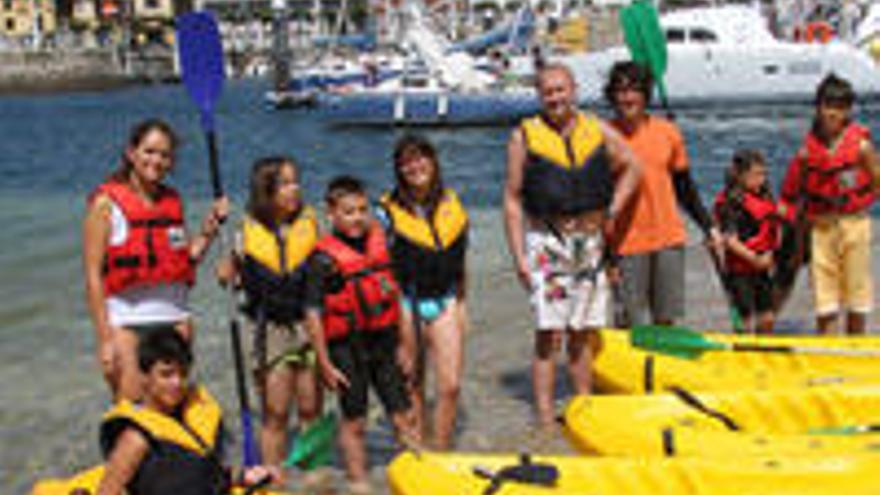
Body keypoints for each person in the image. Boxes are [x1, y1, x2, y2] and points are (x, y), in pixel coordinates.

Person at [503, 63, 643, 429]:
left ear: (574, 91)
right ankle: (546, 418)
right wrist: (519, 257)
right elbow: (513, 199)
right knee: (549, 333)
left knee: (582, 329)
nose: (555, 98)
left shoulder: (597, 130)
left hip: (589, 242)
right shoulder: (523, 137)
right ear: (539, 96)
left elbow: (633, 166)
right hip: (547, 243)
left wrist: (612, 209)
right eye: (548, 92)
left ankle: (584, 409)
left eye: (561, 90)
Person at [82, 118, 228, 402]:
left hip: (175, 320)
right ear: (131, 153)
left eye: (164, 155)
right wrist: (105, 340)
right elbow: (92, 276)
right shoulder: (106, 204)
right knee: (134, 416)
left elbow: (183, 261)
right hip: (126, 322)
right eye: (149, 151)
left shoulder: (172, 201)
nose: (156, 161)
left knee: (171, 412)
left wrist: (210, 228)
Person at [305, 176, 420, 494]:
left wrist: (406, 346)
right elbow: (312, 314)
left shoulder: (382, 244)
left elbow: (397, 298)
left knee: (402, 413)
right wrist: (325, 363)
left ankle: (419, 472)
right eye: (348, 212)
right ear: (331, 214)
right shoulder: (322, 260)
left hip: (384, 343)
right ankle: (359, 482)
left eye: (361, 210)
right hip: (346, 349)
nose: (357, 218)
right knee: (354, 420)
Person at [215, 156, 322, 472]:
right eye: (285, 183)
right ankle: (274, 483)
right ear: (266, 190)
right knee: (275, 414)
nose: (294, 189)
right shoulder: (244, 233)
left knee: (310, 409)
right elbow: (226, 276)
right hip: (268, 330)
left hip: (306, 325)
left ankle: (313, 481)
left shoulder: (311, 224)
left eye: (295, 181)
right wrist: (227, 267)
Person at [604, 61, 724, 328]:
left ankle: (660, 369)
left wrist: (709, 226)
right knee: (629, 323)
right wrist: (604, 256)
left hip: (668, 239)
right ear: (612, 96)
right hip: (625, 244)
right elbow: (596, 200)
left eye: (633, 89)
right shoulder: (603, 137)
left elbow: (685, 188)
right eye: (620, 90)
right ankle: (630, 371)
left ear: (645, 94)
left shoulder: (667, 132)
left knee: (666, 321)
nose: (627, 97)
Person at [97, 327, 281, 495]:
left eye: (183, 374)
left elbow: (207, 475)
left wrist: (245, 475)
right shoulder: (135, 440)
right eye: (166, 374)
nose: (177, 383)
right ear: (144, 377)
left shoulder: (191, 417)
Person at [377, 135, 468, 450]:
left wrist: (462, 303)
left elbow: (460, 260)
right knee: (412, 384)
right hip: (406, 304)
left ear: (433, 160)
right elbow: (377, 269)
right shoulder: (385, 212)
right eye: (406, 162)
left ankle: (440, 453)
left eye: (420, 158)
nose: (414, 167)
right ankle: (416, 451)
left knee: (451, 386)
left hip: (445, 300)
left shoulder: (451, 203)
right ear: (398, 170)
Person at [778, 74, 880, 335]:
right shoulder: (805, 152)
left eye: (839, 108)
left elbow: (877, 181)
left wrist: (860, 203)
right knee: (825, 299)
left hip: (854, 224)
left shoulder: (862, 147)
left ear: (848, 111)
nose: (832, 114)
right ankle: (827, 347)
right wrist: (791, 228)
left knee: (857, 295)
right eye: (827, 106)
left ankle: (855, 349)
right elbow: (789, 195)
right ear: (818, 108)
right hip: (820, 227)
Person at [713, 150, 780, 334]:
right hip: (740, 270)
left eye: (763, 174)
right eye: (756, 175)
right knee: (745, 318)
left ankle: (763, 351)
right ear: (741, 176)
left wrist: (769, 256)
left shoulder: (764, 197)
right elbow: (730, 240)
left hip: (762, 266)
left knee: (767, 317)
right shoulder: (731, 202)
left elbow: (772, 233)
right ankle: (742, 352)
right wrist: (754, 259)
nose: (761, 179)